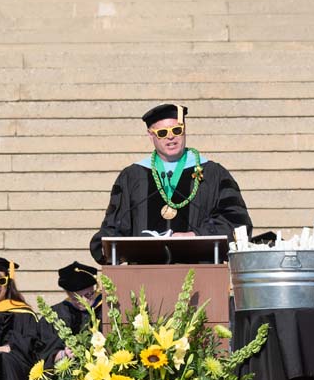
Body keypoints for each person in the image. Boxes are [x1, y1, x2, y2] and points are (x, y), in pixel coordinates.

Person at [90, 104, 252, 263]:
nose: (170, 137)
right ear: (150, 135)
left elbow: (237, 224)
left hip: (200, 273)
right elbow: (116, 225)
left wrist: (196, 235)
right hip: (144, 276)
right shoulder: (132, 177)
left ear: (184, 130)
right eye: (162, 132)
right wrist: (104, 245)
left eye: (176, 130)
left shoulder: (212, 174)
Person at [52, 261, 101, 338]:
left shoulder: (106, 308)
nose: (84, 301)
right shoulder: (57, 314)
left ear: (94, 289)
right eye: (76, 298)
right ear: (68, 294)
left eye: (88, 295)